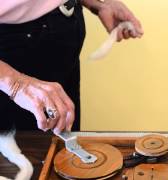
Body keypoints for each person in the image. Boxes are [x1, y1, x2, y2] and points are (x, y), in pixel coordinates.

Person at [0, 0, 143, 134]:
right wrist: (15, 84)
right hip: (11, 61)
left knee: (64, 147)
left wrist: (97, 4)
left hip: (64, 26)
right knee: (25, 154)